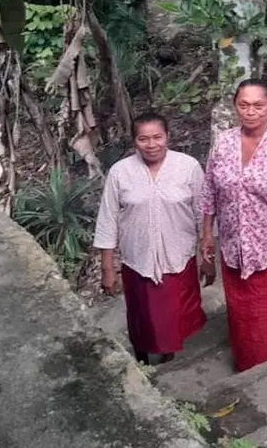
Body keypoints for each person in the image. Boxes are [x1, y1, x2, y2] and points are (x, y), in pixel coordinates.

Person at [200, 78, 267, 373]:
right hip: (234, 248)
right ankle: (249, 368)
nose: (250, 112)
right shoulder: (223, 143)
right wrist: (207, 234)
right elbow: (209, 189)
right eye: (243, 105)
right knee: (243, 316)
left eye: (258, 105)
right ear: (235, 106)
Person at [93, 113, 212, 366]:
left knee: (172, 317)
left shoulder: (187, 166)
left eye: (157, 137)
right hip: (139, 259)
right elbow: (107, 219)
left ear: (168, 136)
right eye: (143, 138)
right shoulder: (120, 172)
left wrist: (207, 254)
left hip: (177, 256)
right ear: (134, 141)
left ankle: (168, 358)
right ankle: (143, 359)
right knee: (143, 317)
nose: (152, 144)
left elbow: (204, 213)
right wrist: (108, 268)